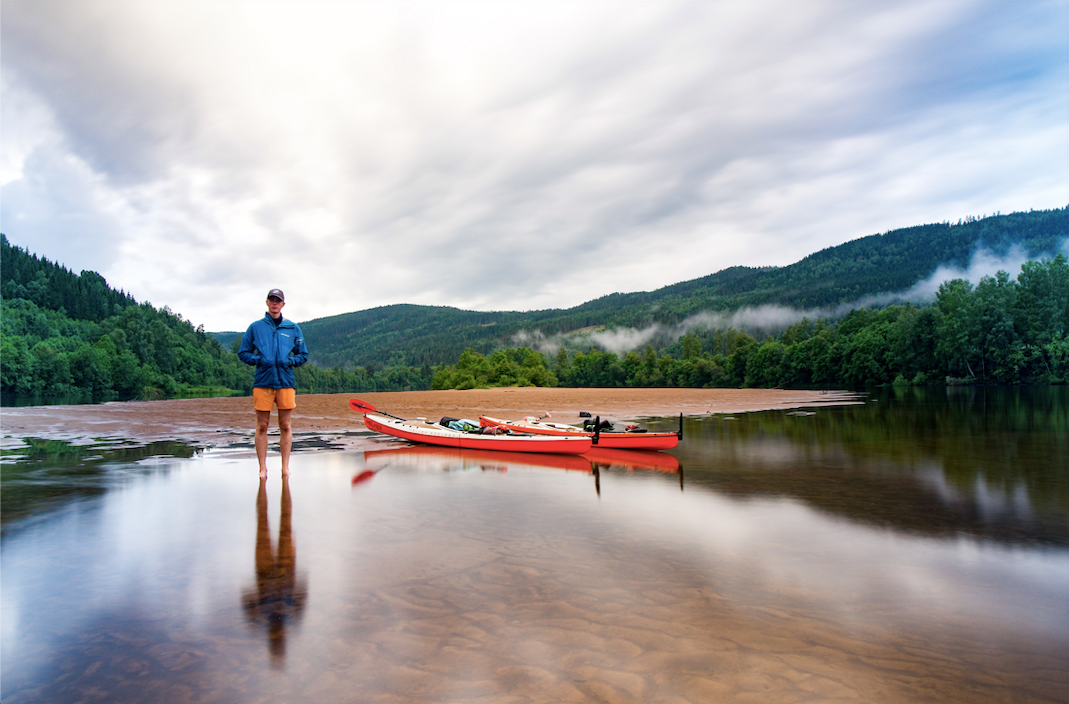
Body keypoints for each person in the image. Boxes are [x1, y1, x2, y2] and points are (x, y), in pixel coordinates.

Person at [238, 288, 308, 476]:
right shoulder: (255, 327)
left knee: (285, 426)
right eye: (272, 300)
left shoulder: (293, 328)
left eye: (278, 300)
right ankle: (263, 468)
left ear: (283, 304)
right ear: (267, 303)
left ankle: (285, 468)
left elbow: (303, 355)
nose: (275, 303)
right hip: (263, 382)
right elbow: (243, 353)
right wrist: (259, 360)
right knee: (262, 426)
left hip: (286, 382)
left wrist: (289, 361)